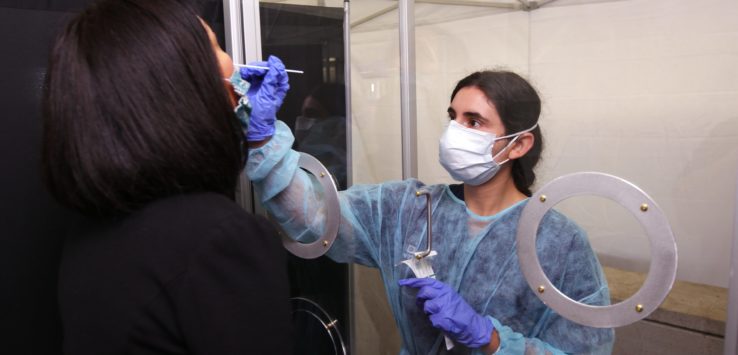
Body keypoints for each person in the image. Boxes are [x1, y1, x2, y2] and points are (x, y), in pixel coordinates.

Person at [247, 69, 615, 354]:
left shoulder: (559, 243)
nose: (455, 131)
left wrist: (491, 340)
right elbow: (313, 216)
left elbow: (583, 348)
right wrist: (263, 138)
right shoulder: (407, 207)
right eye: (452, 116)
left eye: (474, 122)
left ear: (519, 144)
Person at [41, 0, 291, 354]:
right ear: (179, 88)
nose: (232, 62)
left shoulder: (93, 230)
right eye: (216, 46)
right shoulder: (220, 239)